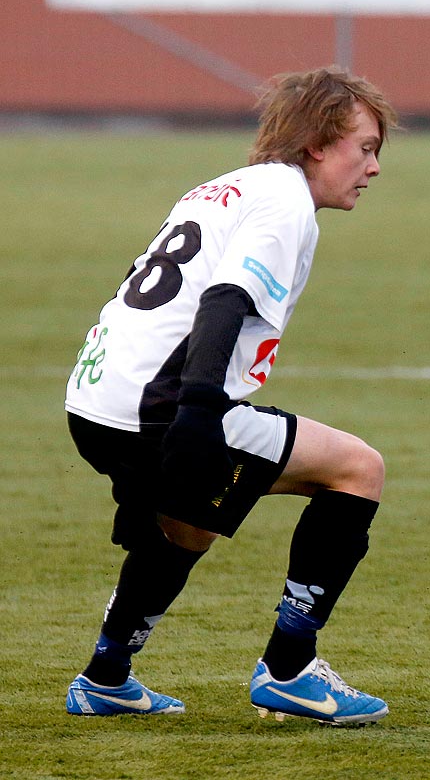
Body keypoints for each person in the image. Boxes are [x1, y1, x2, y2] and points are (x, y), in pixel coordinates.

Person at [64, 67, 399, 725]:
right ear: (316, 145)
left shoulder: (224, 187)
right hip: (159, 406)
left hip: (95, 396)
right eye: (365, 147)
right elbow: (224, 302)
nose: (375, 167)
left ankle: (106, 677)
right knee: (358, 469)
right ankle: (290, 670)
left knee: (188, 527)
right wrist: (193, 414)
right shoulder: (285, 203)